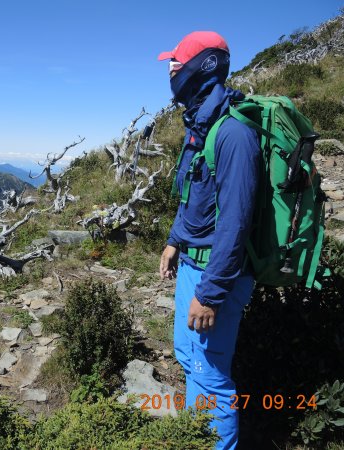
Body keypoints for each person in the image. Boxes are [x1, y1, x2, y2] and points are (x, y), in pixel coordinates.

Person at [157, 32, 261, 449]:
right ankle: (193, 439)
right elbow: (193, 198)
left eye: (177, 63)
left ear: (203, 65)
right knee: (190, 358)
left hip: (213, 276)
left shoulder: (233, 133)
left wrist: (212, 292)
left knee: (210, 375)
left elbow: (235, 222)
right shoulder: (201, 125)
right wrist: (173, 241)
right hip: (193, 265)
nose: (170, 70)